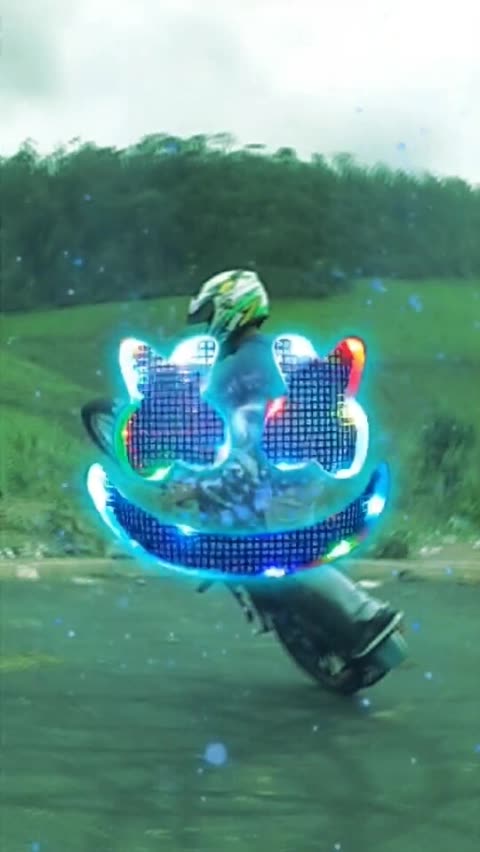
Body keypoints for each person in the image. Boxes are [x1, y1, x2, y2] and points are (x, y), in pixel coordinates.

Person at [185, 269, 403, 659]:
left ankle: (367, 613)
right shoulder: (275, 352)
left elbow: (227, 435)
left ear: (229, 310)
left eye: (210, 315)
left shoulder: (234, 371)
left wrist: (196, 479)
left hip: (285, 474)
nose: (208, 327)